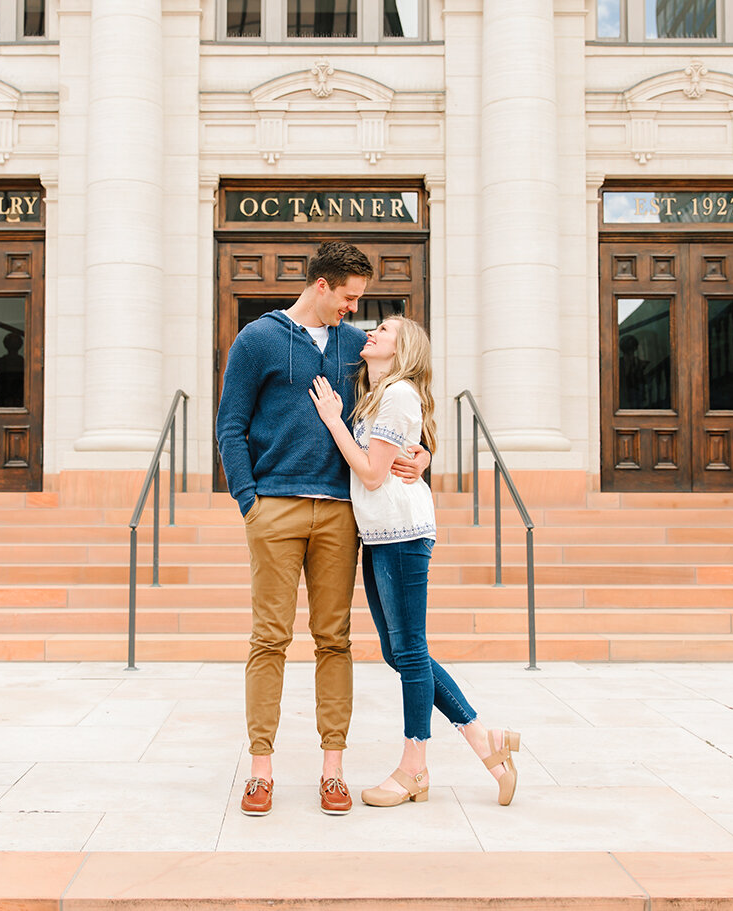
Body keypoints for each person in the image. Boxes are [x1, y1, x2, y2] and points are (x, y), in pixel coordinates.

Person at [216, 241, 430, 817]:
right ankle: (260, 770)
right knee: (270, 639)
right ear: (321, 286)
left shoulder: (357, 346)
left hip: (341, 512)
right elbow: (230, 425)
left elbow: (403, 402)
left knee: (335, 640)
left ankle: (332, 771)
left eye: (359, 301)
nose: (354, 310)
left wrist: (424, 453)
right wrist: (248, 502)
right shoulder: (258, 340)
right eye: (349, 298)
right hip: (275, 508)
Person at [308, 316, 522, 808]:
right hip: (380, 535)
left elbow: (371, 473)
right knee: (401, 652)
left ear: (403, 350)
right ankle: (484, 742)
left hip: (401, 536)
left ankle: (414, 769)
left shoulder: (398, 393)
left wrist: (333, 419)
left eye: (383, 329)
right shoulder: (378, 393)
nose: (371, 332)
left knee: (408, 652)